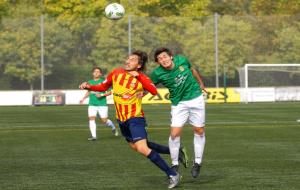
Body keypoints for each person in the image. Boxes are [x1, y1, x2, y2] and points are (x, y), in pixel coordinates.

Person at [79, 50, 180, 189]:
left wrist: (138, 76)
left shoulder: (141, 77)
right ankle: (174, 151)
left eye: (132, 60)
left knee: (142, 147)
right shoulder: (116, 72)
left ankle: (172, 174)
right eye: (128, 58)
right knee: (136, 146)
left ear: (138, 65)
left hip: (135, 117)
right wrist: (89, 86)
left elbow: (153, 90)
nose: (128, 61)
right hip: (121, 119)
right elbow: (103, 86)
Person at [150, 47, 206, 178]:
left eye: (164, 56)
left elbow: (193, 71)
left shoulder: (182, 60)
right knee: (174, 134)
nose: (163, 60)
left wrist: (201, 84)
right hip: (178, 104)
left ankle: (197, 162)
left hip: (196, 99)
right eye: (159, 59)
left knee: (199, 131)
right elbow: (150, 86)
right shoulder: (157, 73)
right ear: (158, 63)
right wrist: (141, 93)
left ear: (171, 56)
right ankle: (175, 163)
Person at [80, 67, 118, 141]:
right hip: (92, 104)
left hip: (102, 104)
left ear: (100, 74)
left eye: (98, 72)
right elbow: (89, 91)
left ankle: (113, 127)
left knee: (104, 120)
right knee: (91, 118)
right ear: (92, 73)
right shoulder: (89, 82)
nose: (96, 73)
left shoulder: (104, 82)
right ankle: (94, 136)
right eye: (95, 71)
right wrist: (83, 98)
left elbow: (110, 92)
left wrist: (101, 95)